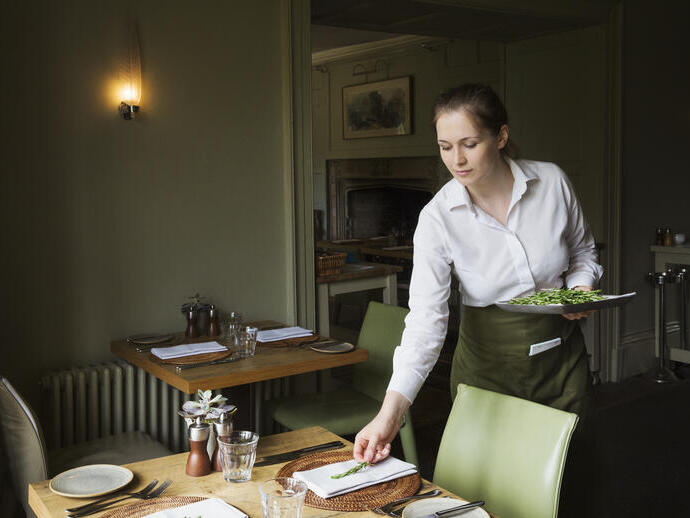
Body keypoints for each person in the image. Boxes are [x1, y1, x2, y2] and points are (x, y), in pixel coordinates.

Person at [353, 83, 603, 464]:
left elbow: (583, 251)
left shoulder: (551, 182)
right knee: (488, 485)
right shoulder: (437, 218)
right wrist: (389, 416)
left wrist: (579, 288)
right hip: (486, 375)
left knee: (565, 482)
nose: (457, 160)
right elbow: (425, 323)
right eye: (445, 146)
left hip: (561, 367)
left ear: (501, 136)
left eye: (469, 144)